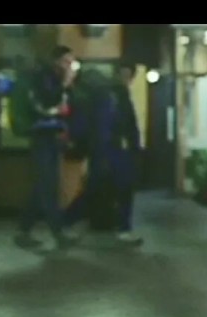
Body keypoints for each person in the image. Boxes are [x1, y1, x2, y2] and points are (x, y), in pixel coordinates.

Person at [63, 61, 144, 246]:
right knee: (110, 188)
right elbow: (128, 123)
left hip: (107, 149)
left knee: (105, 188)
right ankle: (122, 228)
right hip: (110, 149)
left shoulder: (103, 94)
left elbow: (129, 123)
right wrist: (134, 146)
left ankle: (68, 221)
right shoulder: (112, 94)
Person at [14, 45, 80, 250]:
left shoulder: (57, 79)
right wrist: (65, 84)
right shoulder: (43, 78)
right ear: (56, 61)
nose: (70, 66)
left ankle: (23, 230)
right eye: (67, 61)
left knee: (43, 185)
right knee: (49, 185)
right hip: (41, 136)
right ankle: (58, 232)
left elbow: (67, 107)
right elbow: (47, 103)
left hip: (53, 136)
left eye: (72, 62)